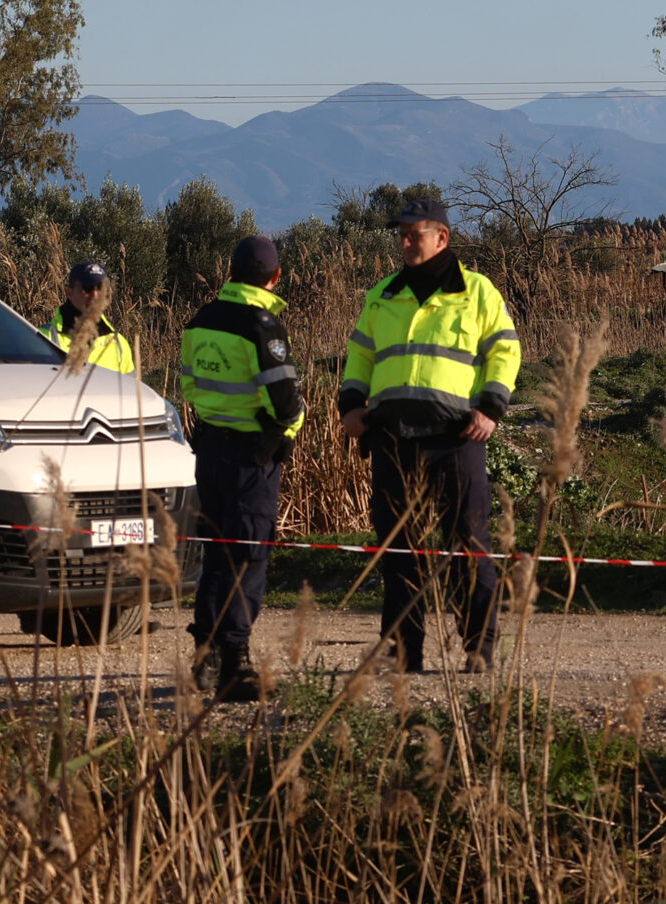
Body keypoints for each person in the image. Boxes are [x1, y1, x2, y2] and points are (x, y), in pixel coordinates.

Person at [337, 198, 519, 674]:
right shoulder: (383, 294)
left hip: (455, 439)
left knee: (468, 546)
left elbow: (505, 353)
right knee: (399, 550)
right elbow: (359, 357)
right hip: (392, 440)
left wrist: (491, 408)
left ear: (441, 238)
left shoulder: (478, 292)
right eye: (400, 233)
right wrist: (351, 406)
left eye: (412, 234)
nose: (402, 241)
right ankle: (402, 652)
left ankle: (479, 648)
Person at [179, 234, 303, 701]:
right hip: (253, 456)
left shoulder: (200, 321)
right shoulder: (262, 325)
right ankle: (235, 661)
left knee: (217, 553)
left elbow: (191, 386)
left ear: (229, 272)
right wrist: (280, 437)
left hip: (210, 449)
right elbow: (287, 403)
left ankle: (205, 654)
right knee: (248, 554)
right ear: (275, 278)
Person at [37, 259, 138, 373]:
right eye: (88, 288)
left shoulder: (118, 343)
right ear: (69, 292)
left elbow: (131, 388)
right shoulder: (45, 338)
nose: (95, 295)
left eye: (100, 288)